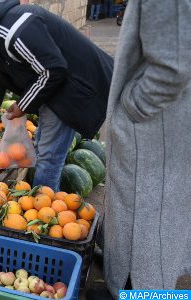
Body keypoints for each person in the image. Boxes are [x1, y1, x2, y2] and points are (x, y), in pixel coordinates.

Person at [0, 0, 113, 192]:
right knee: (42, 150)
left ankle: (45, 210)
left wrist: (22, 105)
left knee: (49, 158)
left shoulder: (14, 31)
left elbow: (53, 70)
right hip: (54, 88)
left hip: (77, 84)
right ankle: (41, 202)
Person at [96, 0, 191, 299]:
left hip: (154, 127)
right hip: (165, 123)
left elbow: (172, 68)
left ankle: (139, 293)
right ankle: (130, 290)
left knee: (148, 222)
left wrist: (131, 107)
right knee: (156, 217)